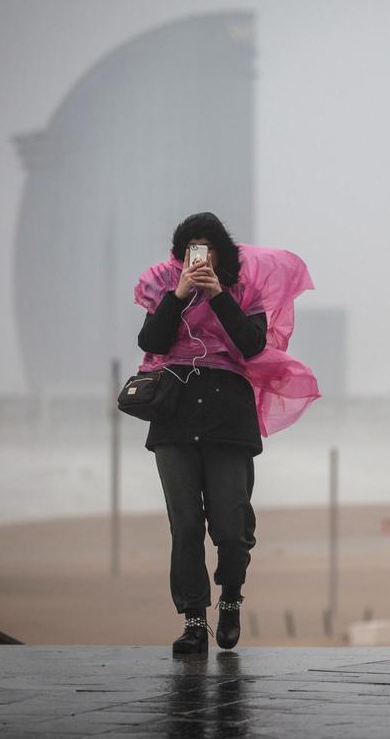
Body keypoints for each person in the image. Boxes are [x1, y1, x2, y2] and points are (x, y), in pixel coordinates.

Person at [134, 212, 318, 656]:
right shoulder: (164, 285)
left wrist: (217, 296)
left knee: (232, 527)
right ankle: (195, 622)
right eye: (192, 248)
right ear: (181, 254)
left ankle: (231, 598)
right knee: (186, 525)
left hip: (228, 418)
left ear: (222, 252)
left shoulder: (244, 290)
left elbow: (253, 344)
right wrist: (179, 296)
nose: (201, 256)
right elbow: (151, 341)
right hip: (175, 417)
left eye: (209, 247)